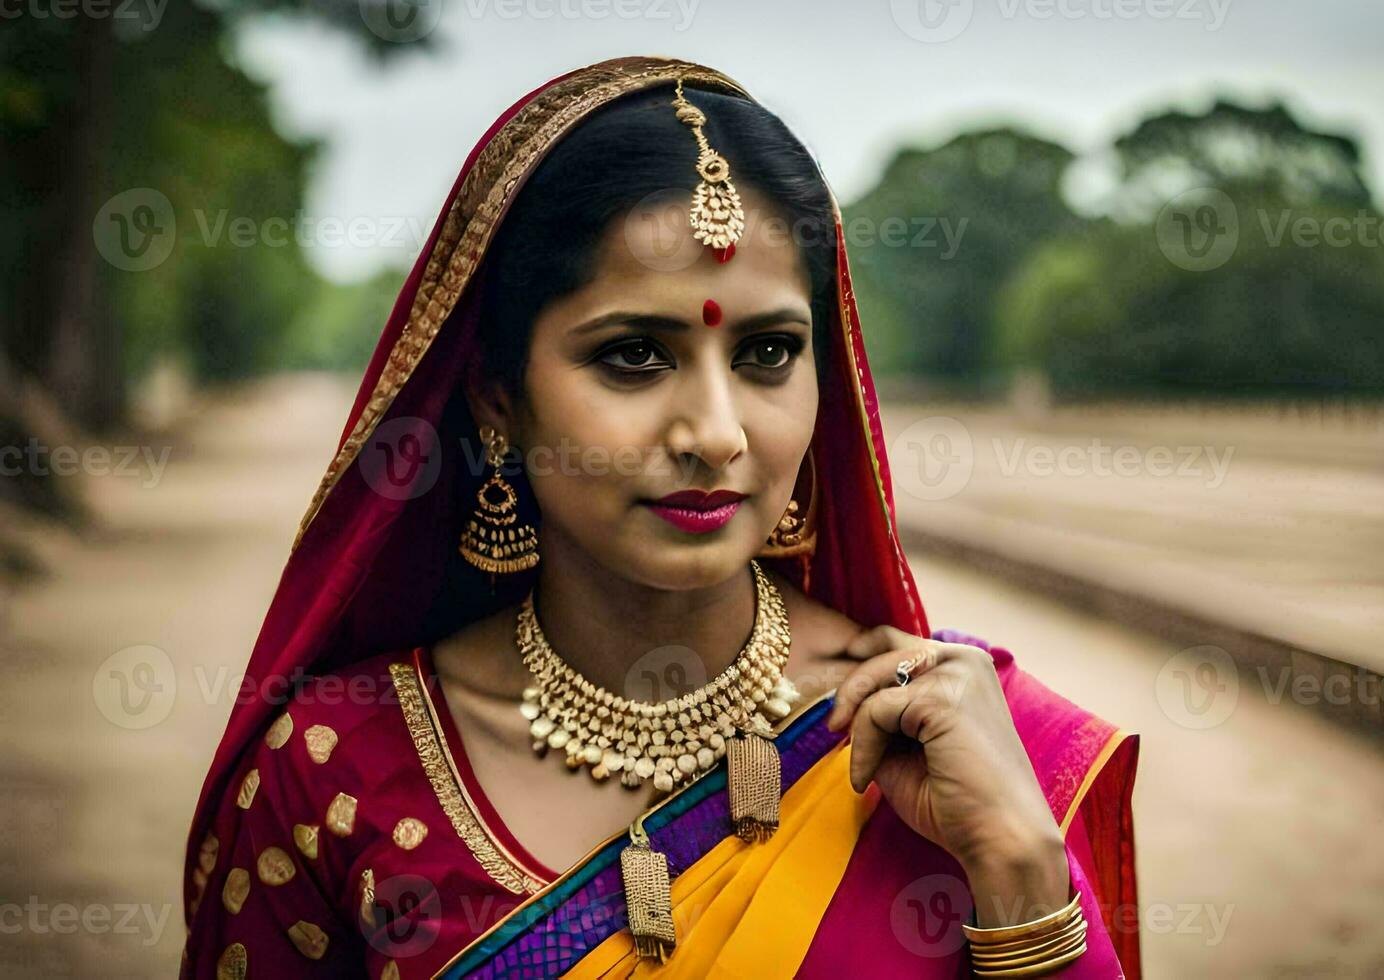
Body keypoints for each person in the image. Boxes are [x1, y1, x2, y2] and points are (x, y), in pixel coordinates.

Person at [180, 56, 1140, 980]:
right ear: (496, 398)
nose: (717, 435)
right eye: (635, 355)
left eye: (767, 353)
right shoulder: (333, 770)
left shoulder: (954, 751)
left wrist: (1021, 875)